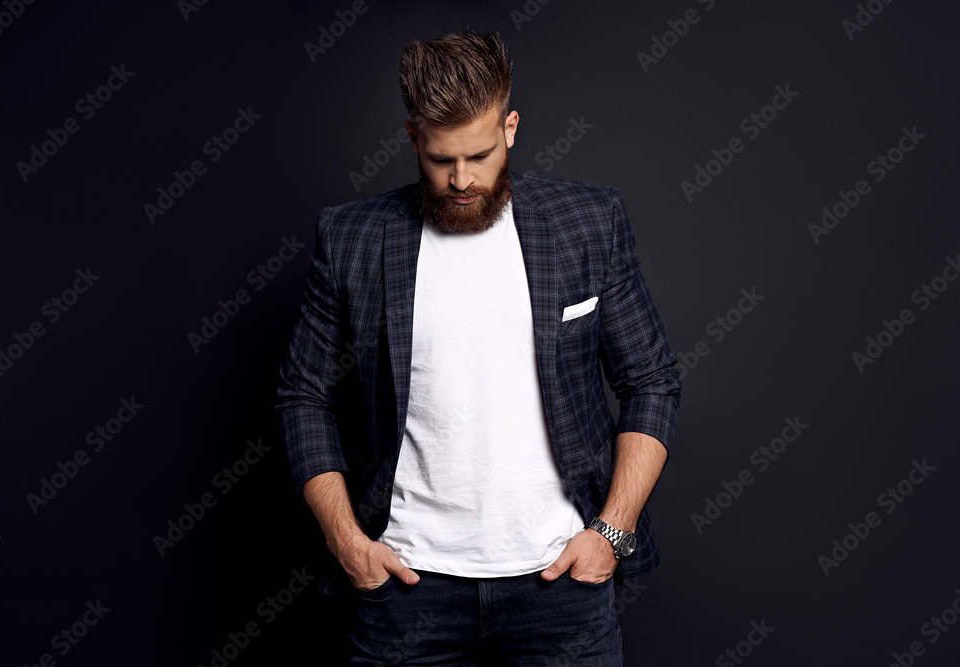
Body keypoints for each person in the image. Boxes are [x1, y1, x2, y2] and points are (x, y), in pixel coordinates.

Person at [277, 28, 681, 666]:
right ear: (412, 138)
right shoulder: (353, 237)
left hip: (561, 584)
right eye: (441, 160)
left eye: (481, 154)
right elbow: (302, 394)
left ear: (511, 127)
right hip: (405, 588)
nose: (462, 179)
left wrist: (611, 531)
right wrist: (347, 541)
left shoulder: (587, 224)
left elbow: (651, 381)